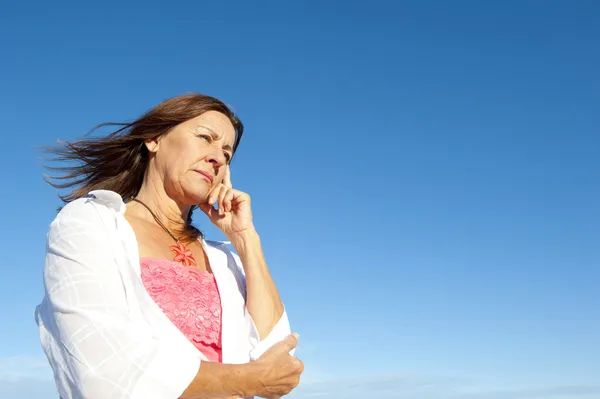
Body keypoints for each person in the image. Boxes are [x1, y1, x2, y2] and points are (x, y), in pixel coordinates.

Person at [34, 93, 304, 399]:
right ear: (154, 139)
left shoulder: (225, 257)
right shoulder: (88, 223)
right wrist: (247, 381)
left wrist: (246, 238)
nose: (217, 157)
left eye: (227, 154)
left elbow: (275, 356)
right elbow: (103, 370)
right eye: (205, 138)